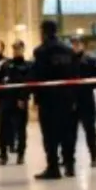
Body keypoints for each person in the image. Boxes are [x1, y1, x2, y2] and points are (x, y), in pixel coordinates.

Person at [31, 21, 78, 180]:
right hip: (67, 98)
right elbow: (74, 74)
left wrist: (35, 98)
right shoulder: (68, 51)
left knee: (50, 135)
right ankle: (70, 166)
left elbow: (37, 76)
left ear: (43, 32)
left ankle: (53, 167)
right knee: (67, 132)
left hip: (48, 99)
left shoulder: (40, 51)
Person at [0, 41, 31, 165]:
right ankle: (3, 154)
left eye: (19, 48)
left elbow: (29, 84)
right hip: (6, 101)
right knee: (3, 129)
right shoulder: (6, 65)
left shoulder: (28, 66)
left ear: (23, 49)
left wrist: (23, 98)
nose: (16, 51)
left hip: (20, 102)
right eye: (14, 48)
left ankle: (21, 154)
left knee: (21, 130)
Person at [70, 37, 96, 167]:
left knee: (90, 129)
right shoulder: (68, 61)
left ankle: (93, 155)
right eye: (74, 44)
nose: (76, 46)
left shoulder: (90, 61)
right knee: (70, 131)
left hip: (86, 99)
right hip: (71, 100)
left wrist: (87, 87)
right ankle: (69, 158)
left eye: (78, 44)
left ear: (83, 45)